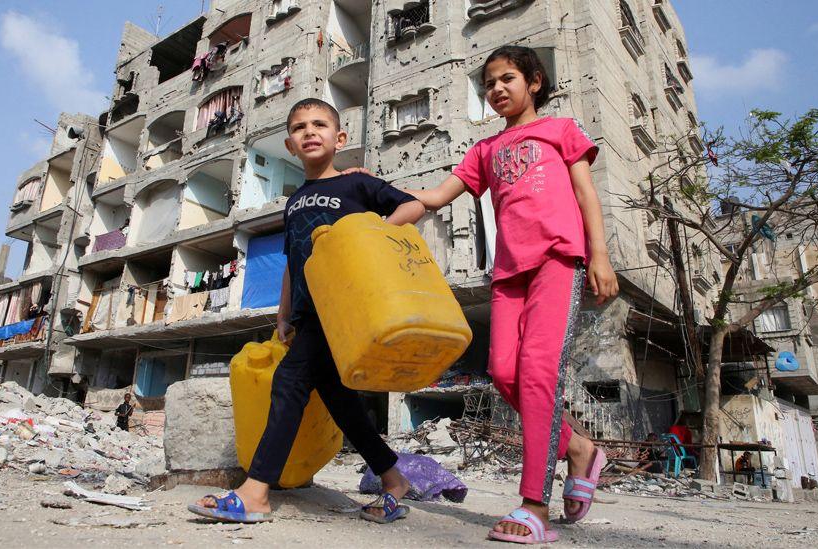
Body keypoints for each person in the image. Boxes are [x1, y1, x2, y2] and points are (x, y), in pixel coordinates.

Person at [406, 45, 619, 544]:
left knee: (540, 372)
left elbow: (586, 193)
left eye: (507, 79)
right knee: (504, 373)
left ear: (534, 82)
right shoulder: (484, 151)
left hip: (558, 261)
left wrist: (600, 255)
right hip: (508, 273)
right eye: (489, 83)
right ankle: (581, 450)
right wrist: (370, 197)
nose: (497, 89)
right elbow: (436, 197)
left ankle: (533, 507)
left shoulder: (560, 130)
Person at [187, 98, 425, 525]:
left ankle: (256, 490)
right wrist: (283, 315)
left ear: (340, 138)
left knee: (289, 382)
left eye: (320, 124)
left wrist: (364, 237)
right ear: (290, 145)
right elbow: (293, 264)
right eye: (300, 128)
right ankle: (393, 480)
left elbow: (412, 206)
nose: (309, 131)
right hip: (307, 313)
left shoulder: (356, 185)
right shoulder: (294, 201)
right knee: (339, 400)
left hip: (346, 308)